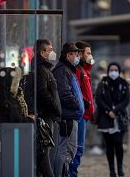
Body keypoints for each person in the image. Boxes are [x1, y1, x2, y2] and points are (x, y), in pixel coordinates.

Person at [51, 42, 84, 177]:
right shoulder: (63, 70)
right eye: (76, 54)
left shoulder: (68, 69)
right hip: (67, 117)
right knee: (65, 150)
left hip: (71, 116)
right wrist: (77, 104)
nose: (78, 56)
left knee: (70, 150)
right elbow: (64, 94)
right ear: (69, 55)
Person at [95, 62, 130, 177]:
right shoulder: (103, 83)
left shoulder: (124, 83)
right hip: (106, 118)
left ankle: (120, 167)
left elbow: (126, 100)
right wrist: (108, 111)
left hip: (120, 118)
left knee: (119, 143)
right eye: (111, 69)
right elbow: (99, 99)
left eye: (115, 69)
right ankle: (112, 170)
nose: (113, 72)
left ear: (119, 71)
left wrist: (115, 111)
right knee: (109, 145)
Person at [35, 39, 62, 177]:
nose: (52, 52)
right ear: (42, 52)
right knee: (44, 152)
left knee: (47, 152)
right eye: (50, 50)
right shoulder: (41, 69)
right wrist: (55, 106)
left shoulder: (46, 68)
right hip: (46, 116)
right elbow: (43, 93)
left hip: (50, 115)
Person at [68, 41, 95, 177]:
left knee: (79, 147)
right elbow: (76, 91)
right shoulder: (78, 70)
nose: (90, 55)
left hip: (85, 113)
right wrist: (86, 103)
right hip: (80, 114)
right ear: (81, 54)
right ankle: (71, 173)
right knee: (78, 147)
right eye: (88, 53)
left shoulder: (85, 71)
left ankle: (72, 172)